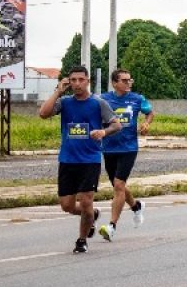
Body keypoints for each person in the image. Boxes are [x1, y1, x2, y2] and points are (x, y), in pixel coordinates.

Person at [38, 66, 121, 253]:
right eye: (73, 80)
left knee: (85, 202)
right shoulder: (65, 102)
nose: (77, 84)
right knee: (66, 206)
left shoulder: (98, 103)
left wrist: (103, 132)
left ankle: (81, 240)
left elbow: (116, 125)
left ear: (87, 81)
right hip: (67, 160)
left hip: (90, 160)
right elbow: (43, 113)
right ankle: (93, 215)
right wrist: (58, 91)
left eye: (80, 80)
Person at [98, 69, 154, 242]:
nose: (128, 83)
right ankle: (136, 206)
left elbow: (150, 112)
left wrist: (146, 123)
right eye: (124, 80)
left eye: (130, 80)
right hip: (108, 148)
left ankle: (111, 226)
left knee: (119, 185)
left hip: (128, 148)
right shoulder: (103, 99)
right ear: (115, 83)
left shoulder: (137, 99)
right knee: (118, 187)